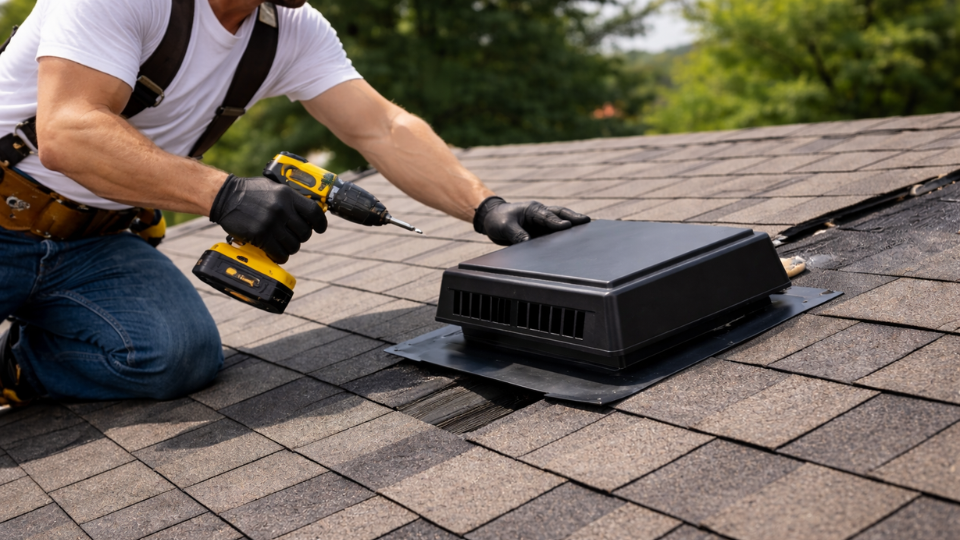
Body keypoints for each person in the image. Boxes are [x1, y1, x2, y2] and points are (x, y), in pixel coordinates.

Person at [0, 0, 590, 410]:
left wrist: (486, 207)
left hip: (95, 242)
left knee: (175, 357)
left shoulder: (292, 30)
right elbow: (67, 132)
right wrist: (222, 193)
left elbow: (381, 127)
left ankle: (16, 366)